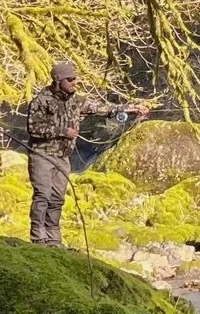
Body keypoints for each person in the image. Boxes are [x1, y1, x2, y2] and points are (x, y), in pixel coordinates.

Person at [25, 59, 149, 246]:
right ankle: (38, 238)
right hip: (41, 154)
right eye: (70, 79)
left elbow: (103, 108)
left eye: (75, 78)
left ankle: (53, 239)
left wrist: (131, 108)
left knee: (57, 199)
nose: (74, 82)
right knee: (42, 196)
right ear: (58, 81)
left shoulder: (77, 101)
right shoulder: (41, 101)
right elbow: (33, 128)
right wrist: (63, 132)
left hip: (63, 157)